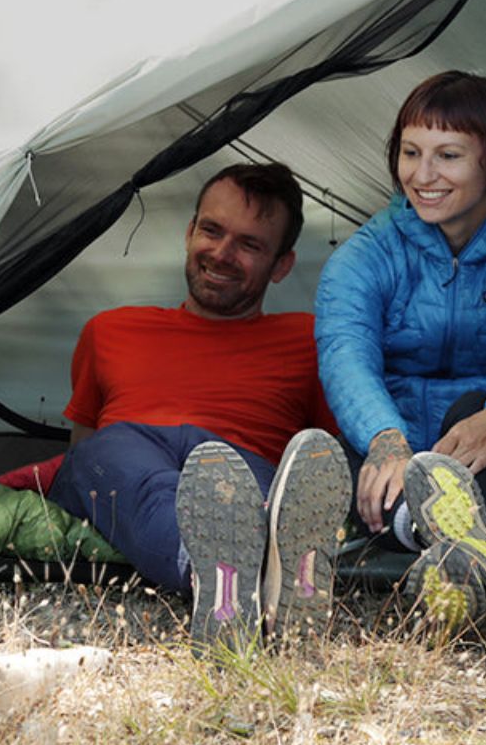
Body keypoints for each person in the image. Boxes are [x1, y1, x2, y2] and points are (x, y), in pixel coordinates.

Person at [45, 163, 351, 649]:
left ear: (282, 266)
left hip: (242, 471)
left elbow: (325, 459)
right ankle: (225, 568)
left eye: (249, 245)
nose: (222, 254)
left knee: (238, 484)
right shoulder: (109, 330)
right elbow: (84, 457)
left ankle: (236, 576)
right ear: (189, 232)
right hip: (125, 459)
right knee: (113, 452)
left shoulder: (312, 341)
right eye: (211, 231)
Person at [315, 70, 486, 627]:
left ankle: (442, 539)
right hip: (394, 447)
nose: (423, 175)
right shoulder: (366, 256)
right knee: (357, 461)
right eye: (411, 152)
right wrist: (387, 441)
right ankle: (460, 548)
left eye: (448, 155)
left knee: (476, 413)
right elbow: (345, 353)